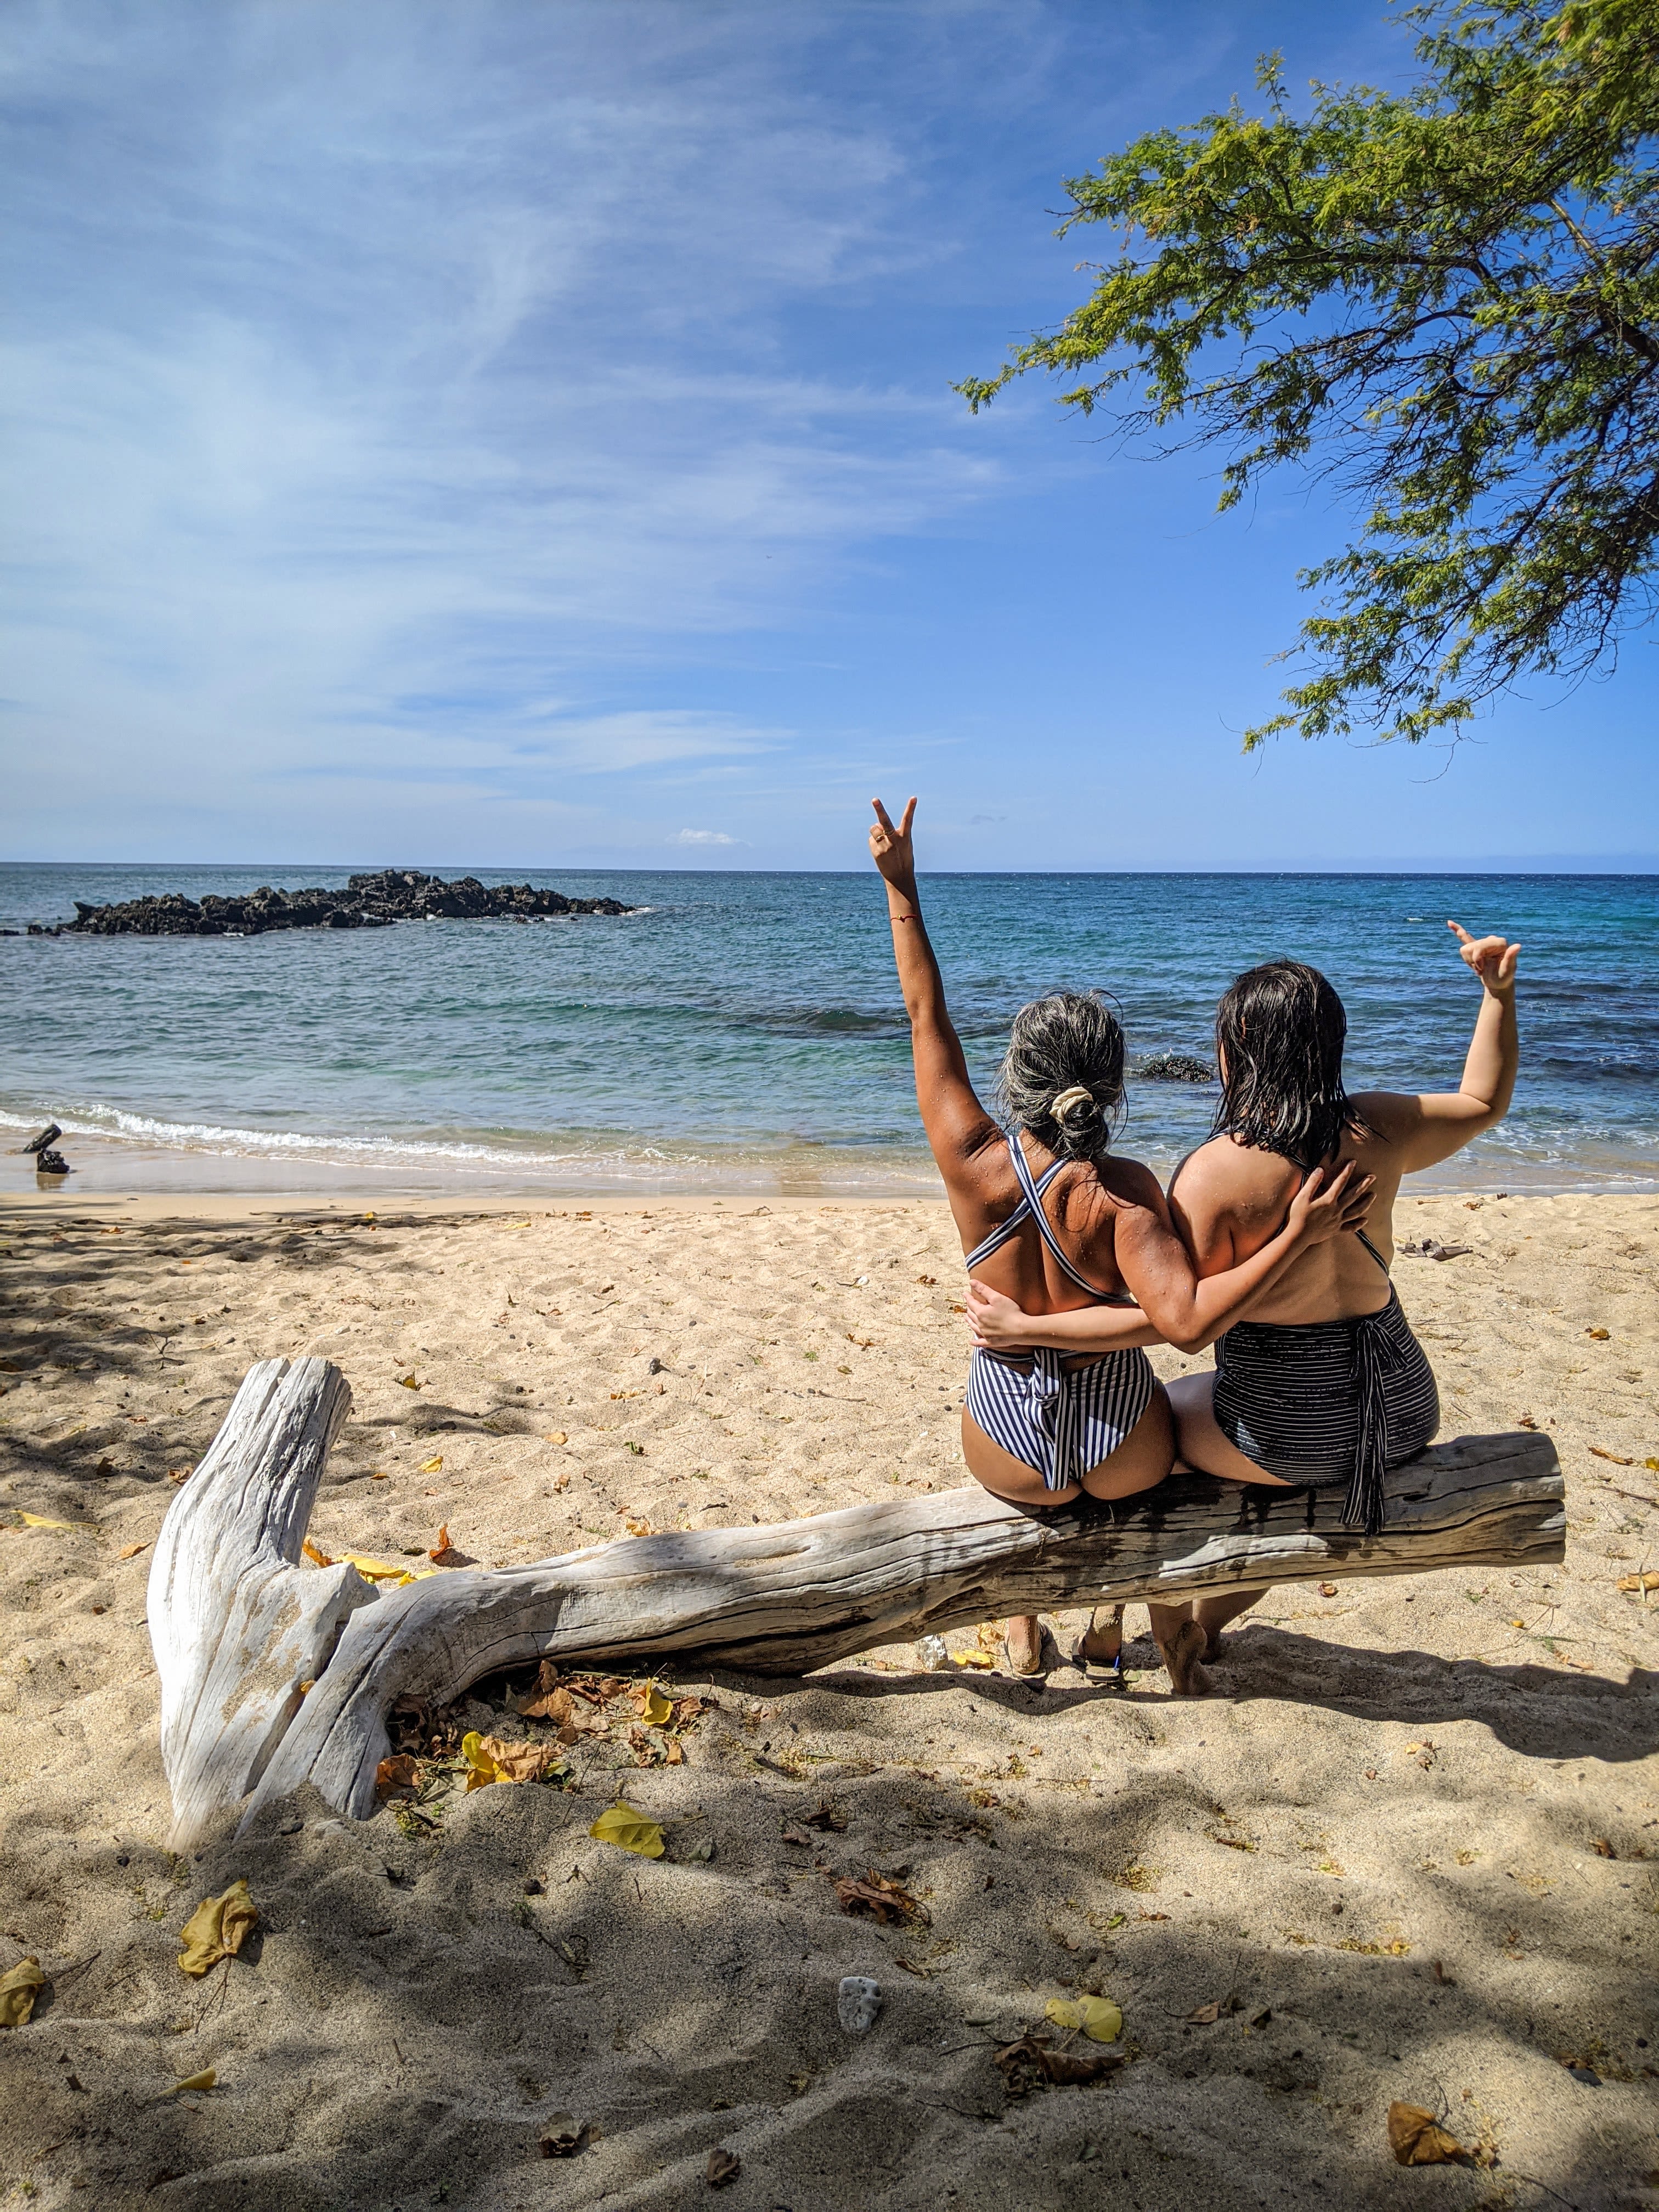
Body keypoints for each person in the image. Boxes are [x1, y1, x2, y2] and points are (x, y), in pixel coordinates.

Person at [868, 796, 1374, 1683]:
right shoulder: (1131, 1193)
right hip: (1121, 1449)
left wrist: (902, 890)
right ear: (1111, 1087)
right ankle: (1125, 1620)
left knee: (1017, 1486)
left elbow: (923, 1016)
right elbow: (1183, 1323)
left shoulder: (972, 1162)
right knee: (1172, 1453)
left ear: (1017, 1079)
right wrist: (1294, 1234)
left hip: (1009, 1442)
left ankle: (1023, 1631)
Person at [968, 922, 1520, 1692]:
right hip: (1398, 1408)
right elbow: (1483, 1099)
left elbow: (1178, 1322)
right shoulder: (1381, 1127)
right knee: (1187, 1441)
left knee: (1150, 1431)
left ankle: (1136, 1611)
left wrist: (1032, 1329)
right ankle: (1204, 1625)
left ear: (1238, 1049)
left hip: (1287, 1429)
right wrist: (1497, 995)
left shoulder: (1213, 1176)